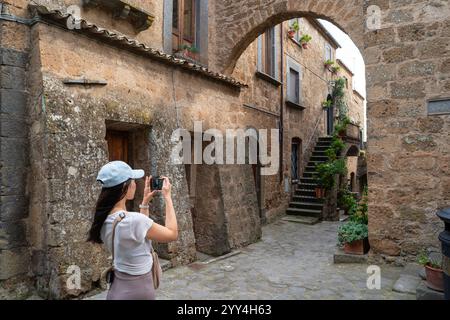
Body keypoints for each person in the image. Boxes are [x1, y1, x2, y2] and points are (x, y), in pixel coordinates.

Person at [87, 161, 178, 300]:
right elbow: (172, 234)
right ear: (125, 186)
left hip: (118, 288)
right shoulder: (133, 221)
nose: (135, 184)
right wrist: (168, 197)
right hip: (140, 290)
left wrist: (145, 202)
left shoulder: (103, 219)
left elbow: (138, 234)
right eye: (133, 181)